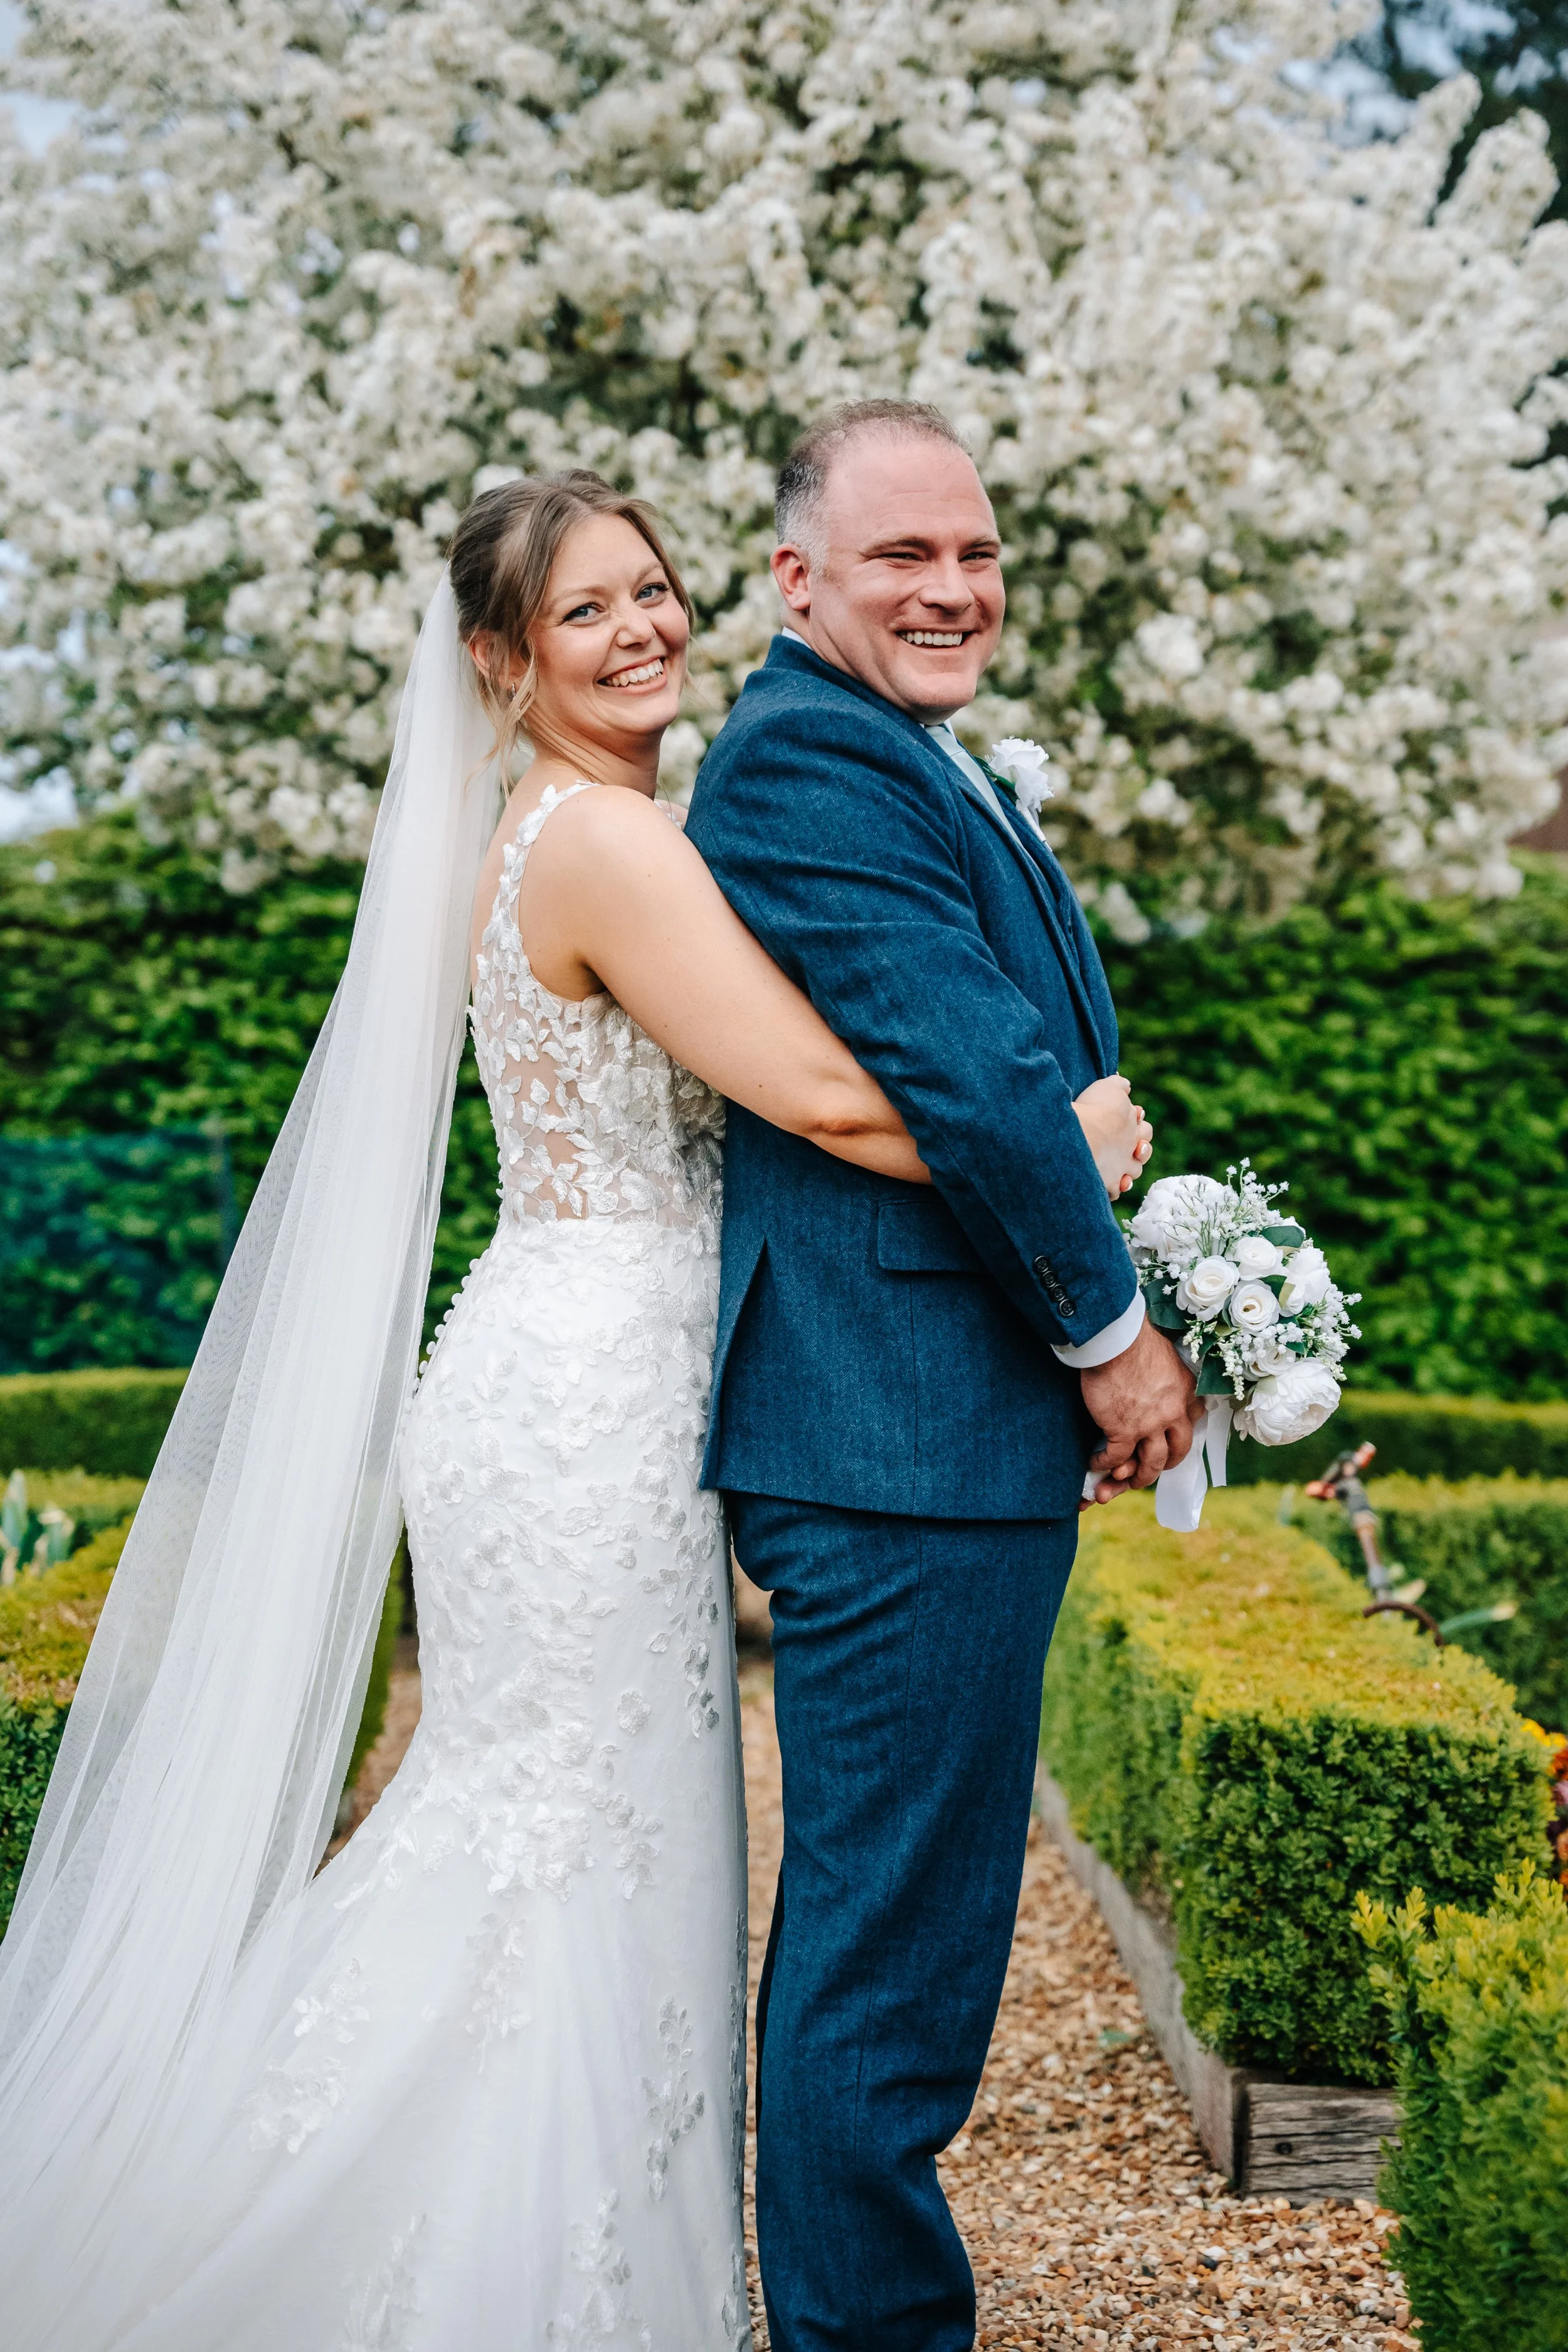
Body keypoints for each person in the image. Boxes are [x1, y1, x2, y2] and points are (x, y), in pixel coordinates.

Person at [0, 467, 1148, 2352]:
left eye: (652, 593)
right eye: (586, 613)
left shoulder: (581, 828)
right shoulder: (603, 847)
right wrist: (1066, 1142)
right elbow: (838, 1102)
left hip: (569, 1362)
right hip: (589, 1405)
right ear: (498, 660)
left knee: (562, 1830)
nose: (640, 634)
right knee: (564, 1846)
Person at [684, 399, 1197, 2352]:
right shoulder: (806, 761)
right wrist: (1111, 1327)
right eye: (903, 555)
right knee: (886, 1964)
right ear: (798, 576)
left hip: (920, 1429)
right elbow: (977, 1081)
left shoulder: (903, 748)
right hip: (891, 1437)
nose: (952, 587)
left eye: (974, 553)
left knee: (904, 1936)